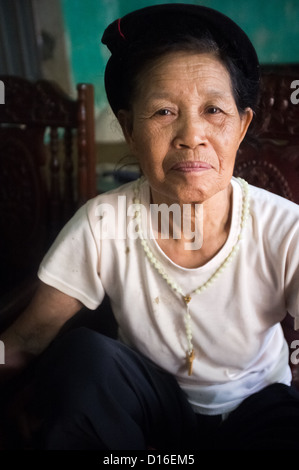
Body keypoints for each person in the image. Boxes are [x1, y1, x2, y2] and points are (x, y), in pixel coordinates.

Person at [1, 3, 299, 450]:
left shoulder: (285, 228)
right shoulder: (103, 223)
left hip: (257, 412)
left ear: (241, 127)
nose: (191, 134)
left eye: (214, 110)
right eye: (163, 112)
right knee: (85, 359)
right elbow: (26, 338)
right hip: (146, 413)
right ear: (128, 128)